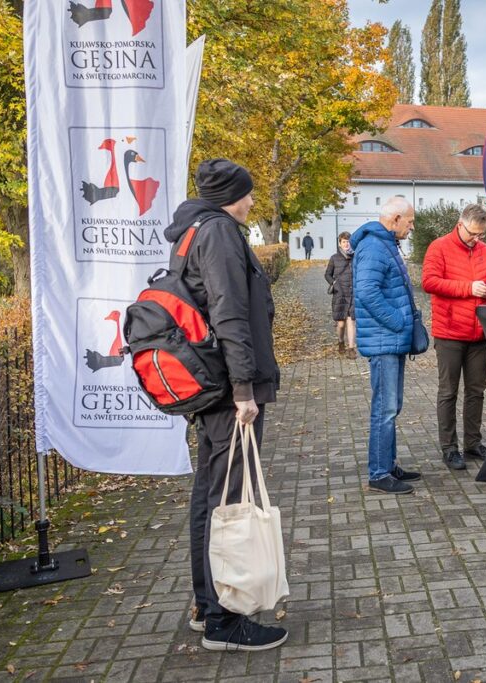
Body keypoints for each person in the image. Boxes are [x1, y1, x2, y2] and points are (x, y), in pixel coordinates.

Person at [163, 158, 286, 651]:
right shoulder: (217, 234)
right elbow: (231, 313)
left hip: (210, 383)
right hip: (226, 388)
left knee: (210, 493)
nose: (254, 201)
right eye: (248, 193)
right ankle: (222, 618)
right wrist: (244, 390)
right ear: (229, 195)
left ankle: (205, 603)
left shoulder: (194, 229)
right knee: (225, 498)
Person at [351, 197, 422, 494]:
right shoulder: (374, 246)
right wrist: (397, 321)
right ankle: (379, 473)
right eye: (410, 222)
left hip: (390, 340)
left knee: (392, 406)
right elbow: (366, 290)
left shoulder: (385, 244)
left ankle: (388, 464)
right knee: (385, 408)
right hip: (384, 340)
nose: (411, 228)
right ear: (394, 219)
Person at [422, 204, 486, 470]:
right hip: (450, 332)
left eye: (480, 234)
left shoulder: (485, 251)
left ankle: (473, 442)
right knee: (448, 391)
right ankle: (449, 447)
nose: (475, 239)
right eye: (472, 234)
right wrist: (469, 288)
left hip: (479, 332)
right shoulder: (439, 247)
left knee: (476, 391)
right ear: (460, 224)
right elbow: (429, 282)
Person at [325, 231, 356, 359]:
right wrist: (334, 283)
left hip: (353, 293)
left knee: (351, 321)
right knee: (341, 324)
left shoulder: (356, 257)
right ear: (340, 243)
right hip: (340, 294)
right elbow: (327, 274)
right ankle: (340, 341)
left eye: (348, 241)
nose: (346, 244)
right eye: (344, 242)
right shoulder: (334, 258)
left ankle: (351, 348)